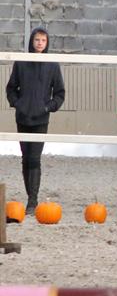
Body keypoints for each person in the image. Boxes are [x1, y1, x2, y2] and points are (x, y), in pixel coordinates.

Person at [5, 27, 65, 210]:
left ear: (47, 43)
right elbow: (11, 88)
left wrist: (47, 107)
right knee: (25, 157)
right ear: (32, 41)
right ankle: (29, 195)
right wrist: (18, 104)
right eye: (37, 40)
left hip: (41, 119)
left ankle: (33, 200)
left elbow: (60, 93)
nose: (39, 43)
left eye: (43, 40)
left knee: (35, 158)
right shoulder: (21, 62)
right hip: (23, 117)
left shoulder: (52, 65)